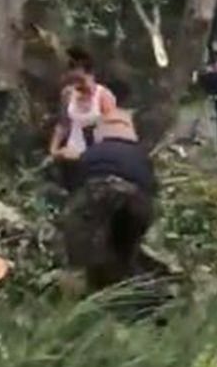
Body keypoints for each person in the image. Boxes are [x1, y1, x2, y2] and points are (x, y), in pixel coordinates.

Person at [58, 81, 159, 290]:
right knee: (126, 249)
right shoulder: (140, 155)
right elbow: (151, 189)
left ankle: (85, 284)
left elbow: (74, 185)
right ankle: (138, 291)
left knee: (82, 251)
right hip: (135, 199)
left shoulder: (91, 153)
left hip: (95, 193)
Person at [49, 46, 117, 190]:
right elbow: (63, 124)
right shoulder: (68, 94)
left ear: (90, 74)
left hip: (96, 158)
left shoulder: (104, 97)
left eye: (80, 80)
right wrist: (54, 149)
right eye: (73, 80)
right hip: (70, 154)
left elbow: (112, 133)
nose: (77, 85)